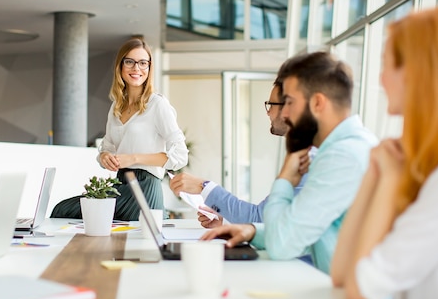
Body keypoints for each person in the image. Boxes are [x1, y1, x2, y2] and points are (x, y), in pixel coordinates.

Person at [331, 8, 438, 299]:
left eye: (387, 64)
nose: (381, 79)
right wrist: (376, 175)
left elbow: (361, 287)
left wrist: (388, 180)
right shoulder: (429, 164)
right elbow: (342, 274)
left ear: (417, 72)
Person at [201, 51, 378, 274]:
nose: (284, 113)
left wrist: (284, 180)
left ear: (317, 103)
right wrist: (254, 232)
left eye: (290, 102)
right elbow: (306, 232)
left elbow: (281, 244)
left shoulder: (342, 157)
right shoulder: (347, 148)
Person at [51, 38, 188, 221]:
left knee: (67, 212)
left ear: (149, 68)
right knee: (62, 210)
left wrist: (133, 158)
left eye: (142, 63)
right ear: (120, 66)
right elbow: (107, 147)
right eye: (129, 61)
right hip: (120, 183)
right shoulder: (117, 106)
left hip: (145, 188)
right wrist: (104, 156)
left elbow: (180, 156)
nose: (136, 68)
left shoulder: (158, 104)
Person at [169, 76, 313, 228]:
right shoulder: (301, 153)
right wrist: (225, 221)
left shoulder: (309, 158)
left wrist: (204, 186)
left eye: (271, 105)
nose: (268, 112)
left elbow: (261, 218)